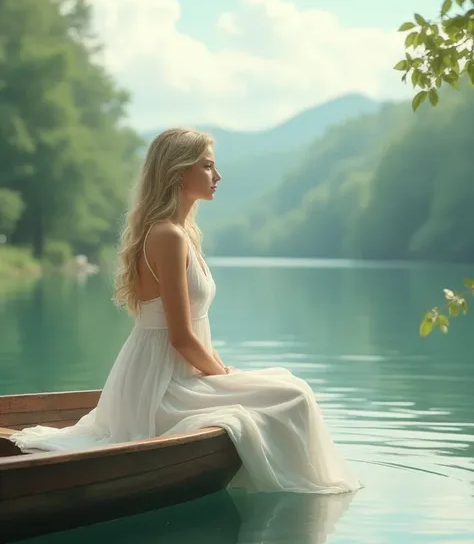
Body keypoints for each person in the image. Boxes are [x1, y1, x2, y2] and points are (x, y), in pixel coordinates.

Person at [10, 128, 361, 494]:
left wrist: (221, 371)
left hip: (182, 375)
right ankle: (303, 494)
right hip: (160, 387)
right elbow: (180, 338)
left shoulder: (183, 233)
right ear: (179, 172)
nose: (218, 176)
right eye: (207, 166)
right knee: (294, 395)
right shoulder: (168, 236)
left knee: (288, 384)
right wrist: (222, 373)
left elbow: (195, 327)